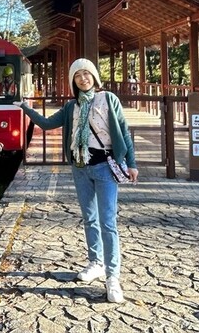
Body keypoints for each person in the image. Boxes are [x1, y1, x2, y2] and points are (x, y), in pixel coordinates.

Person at [13, 58, 138, 303]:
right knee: (89, 218)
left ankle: (113, 278)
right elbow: (47, 124)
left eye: (86, 73)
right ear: (73, 81)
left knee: (108, 222)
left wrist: (131, 163)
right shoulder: (71, 107)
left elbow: (123, 131)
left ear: (94, 76)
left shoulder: (108, 99)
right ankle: (96, 263)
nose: (83, 78)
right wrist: (25, 107)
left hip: (104, 167)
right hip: (80, 168)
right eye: (78, 75)